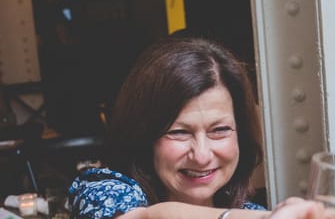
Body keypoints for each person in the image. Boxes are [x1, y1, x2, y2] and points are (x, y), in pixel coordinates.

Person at [68, 36, 322, 219]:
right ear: (145, 135)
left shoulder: (250, 213)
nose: (201, 155)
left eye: (219, 130)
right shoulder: (102, 192)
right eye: (179, 132)